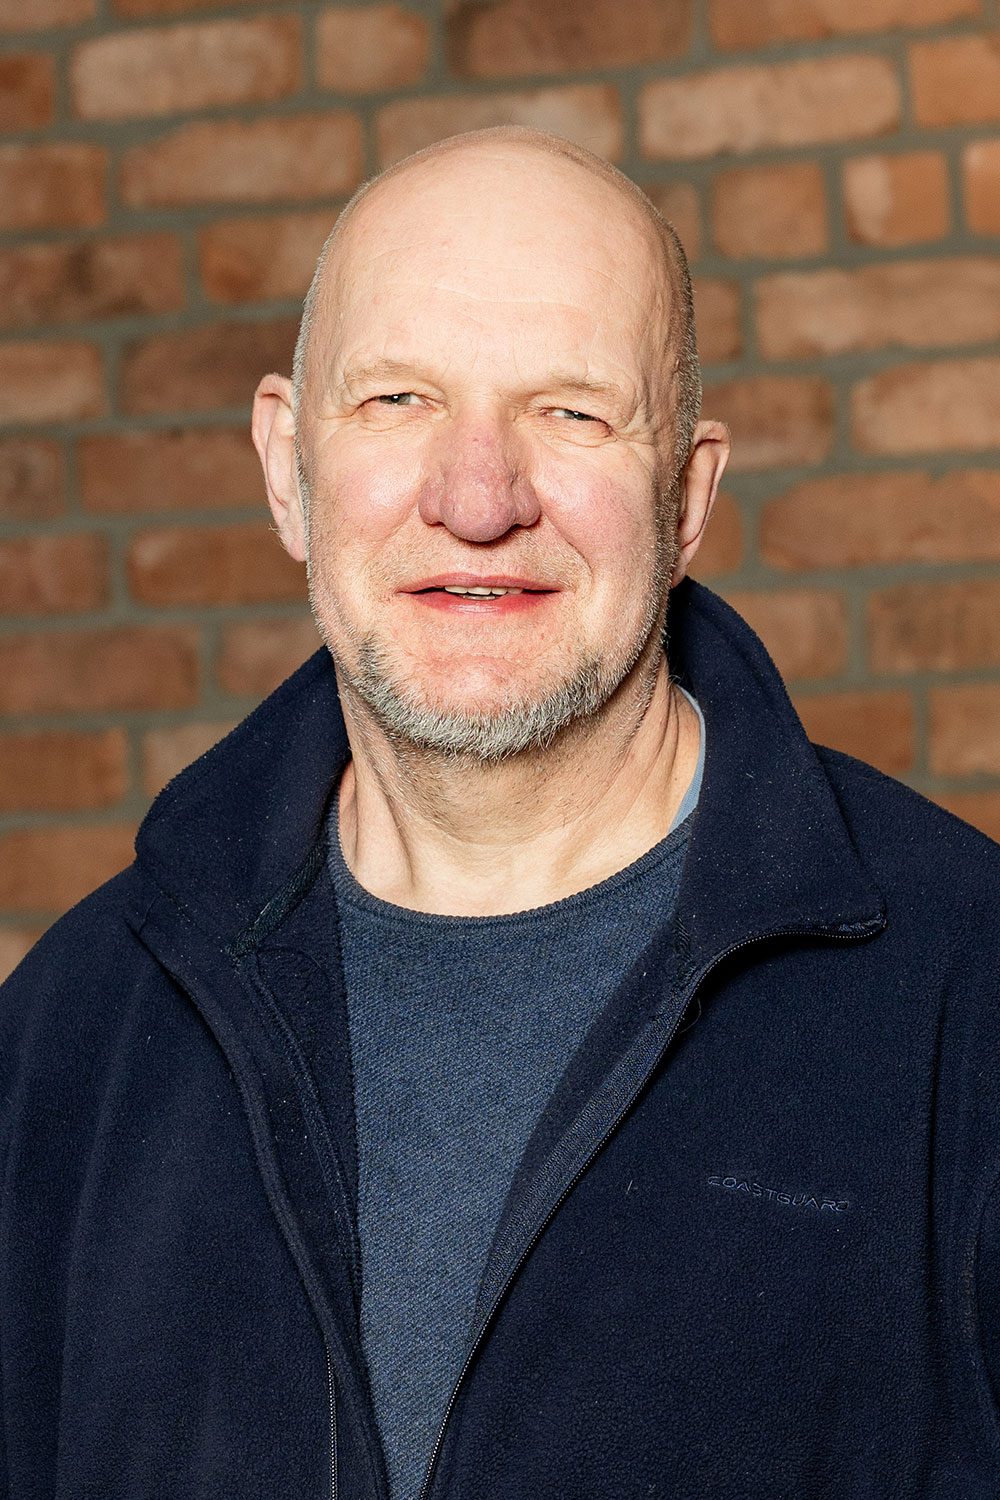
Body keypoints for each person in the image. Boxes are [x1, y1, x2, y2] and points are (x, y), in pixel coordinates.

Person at [2, 127, 999, 1500]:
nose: (478, 500)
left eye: (572, 412)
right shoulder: (66, 1044)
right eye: (398, 399)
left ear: (687, 495)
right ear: (287, 469)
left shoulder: (969, 999)